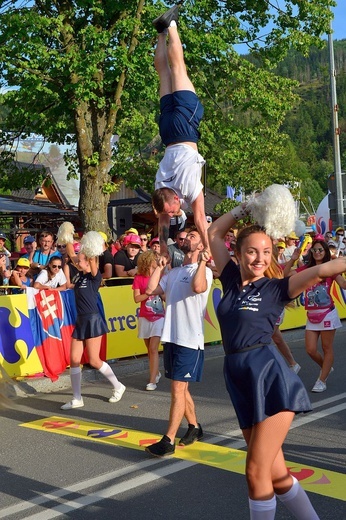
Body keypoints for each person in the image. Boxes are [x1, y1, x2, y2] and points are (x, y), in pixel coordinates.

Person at [207, 204, 345, 519]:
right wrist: (245, 208)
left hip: (270, 380)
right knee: (277, 475)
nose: (259, 258)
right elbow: (214, 231)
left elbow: (324, 270)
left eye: (266, 252)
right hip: (239, 380)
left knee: (256, 472)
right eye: (252, 252)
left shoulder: (276, 288)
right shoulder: (229, 280)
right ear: (238, 255)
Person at [145, 227, 212, 457]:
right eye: (183, 237)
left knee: (177, 389)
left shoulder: (204, 271)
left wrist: (203, 262)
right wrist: (160, 267)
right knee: (181, 389)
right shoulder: (173, 273)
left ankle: (168, 440)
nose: (185, 239)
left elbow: (198, 287)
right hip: (171, 338)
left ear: (201, 245)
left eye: (192, 237)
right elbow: (150, 289)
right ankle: (195, 427)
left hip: (190, 339)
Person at [151, 5, 209, 256]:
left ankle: (171, 25)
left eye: (172, 210)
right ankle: (161, 34)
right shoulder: (159, 186)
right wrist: (164, 249)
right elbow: (163, 223)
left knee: (178, 69)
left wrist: (208, 247)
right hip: (167, 133)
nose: (173, 214)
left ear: (175, 199)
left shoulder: (187, 188)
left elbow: (199, 218)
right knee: (163, 74)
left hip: (185, 130)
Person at [61, 250, 126, 409]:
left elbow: (90, 260)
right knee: (74, 360)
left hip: (92, 319)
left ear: (90, 261)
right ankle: (77, 398)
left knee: (94, 360)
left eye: (81, 259)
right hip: (81, 320)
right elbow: (73, 254)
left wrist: (89, 249)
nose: (77, 261)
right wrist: (67, 236)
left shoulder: (95, 277)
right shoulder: (80, 276)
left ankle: (118, 386)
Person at [285, 239, 346, 393]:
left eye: (320, 250)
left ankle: (322, 379)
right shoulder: (306, 269)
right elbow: (286, 275)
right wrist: (293, 259)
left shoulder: (330, 270)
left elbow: (343, 284)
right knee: (310, 350)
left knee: (327, 348)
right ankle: (326, 367)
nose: (317, 252)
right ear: (311, 253)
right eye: (315, 250)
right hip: (311, 315)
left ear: (325, 252)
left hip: (327, 314)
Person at [132, 250, 165, 390]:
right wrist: (148, 293)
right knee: (149, 350)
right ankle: (156, 372)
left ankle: (152, 381)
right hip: (144, 316)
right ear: (148, 261)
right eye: (155, 259)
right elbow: (136, 299)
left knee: (153, 349)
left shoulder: (161, 277)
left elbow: (164, 296)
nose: (157, 261)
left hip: (159, 317)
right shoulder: (139, 278)